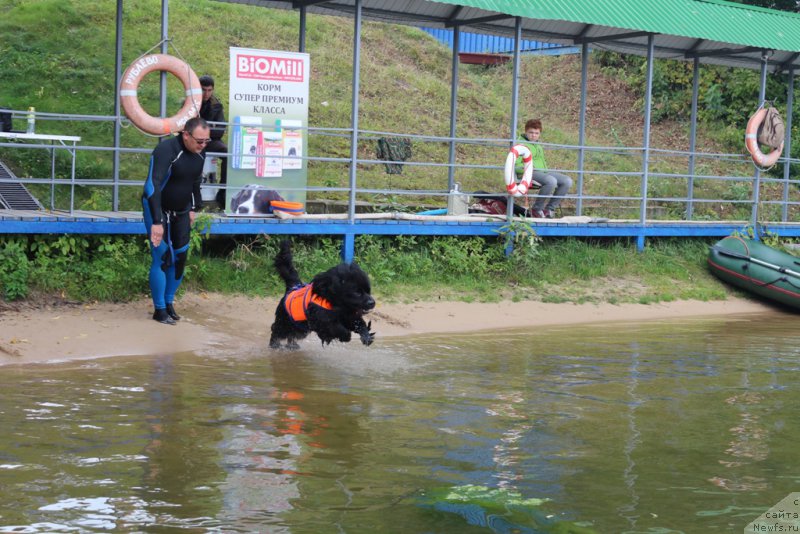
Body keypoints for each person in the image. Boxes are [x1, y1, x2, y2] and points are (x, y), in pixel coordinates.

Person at [142, 116, 210, 325]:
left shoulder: (199, 153)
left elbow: (195, 181)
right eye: (199, 141)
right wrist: (156, 221)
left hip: (181, 210)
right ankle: (159, 309)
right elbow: (152, 186)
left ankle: (169, 303)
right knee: (162, 256)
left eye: (206, 141)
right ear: (186, 134)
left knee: (180, 257)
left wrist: (194, 207)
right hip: (157, 207)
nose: (203, 145)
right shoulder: (166, 150)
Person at [515, 118, 572, 218]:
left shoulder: (537, 145)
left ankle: (549, 210)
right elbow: (516, 166)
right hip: (527, 173)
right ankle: (536, 209)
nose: (534, 135)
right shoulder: (520, 145)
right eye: (531, 132)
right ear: (526, 132)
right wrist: (528, 169)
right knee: (551, 181)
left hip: (543, 172)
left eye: (536, 133)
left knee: (567, 181)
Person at [198, 75, 228, 210]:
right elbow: (185, 125)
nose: (206, 93)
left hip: (211, 141)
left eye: (209, 90)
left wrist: (203, 132)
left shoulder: (217, 104)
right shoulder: (190, 102)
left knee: (227, 153)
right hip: (194, 141)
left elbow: (220, 130)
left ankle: (223, 193)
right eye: (203, 90)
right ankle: (193, 196)